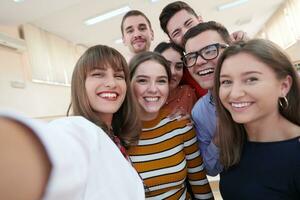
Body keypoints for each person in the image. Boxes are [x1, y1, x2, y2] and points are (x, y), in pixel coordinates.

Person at [0, 45, 145, 200]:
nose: (111, 83)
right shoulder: (77, 129)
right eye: (98, 74)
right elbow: (54, 148)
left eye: (119, 76)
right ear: (80, 85)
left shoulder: (115, 137)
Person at [214, 39, 300, 199]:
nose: (234, 93)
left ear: (284, 86)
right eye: (226, 82)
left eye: (251, 79)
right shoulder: (234, 142)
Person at [127, 51, 213, 199]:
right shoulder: (115, 134)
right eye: (142, 80)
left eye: (161, 81)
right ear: (128, 84)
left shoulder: (181, 124)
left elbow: (199, 183)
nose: (153, 89)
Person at [159, 1, 248, 98]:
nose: (186, 32)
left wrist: (247, 47)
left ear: (200, 20)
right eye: (176, 33)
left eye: (189, 23)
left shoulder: (231, 49)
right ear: (171, 41)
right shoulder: (178, 73)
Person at [181, 21, 232, 176]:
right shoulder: (200, 112)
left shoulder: (264, 90)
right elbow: (211, 169)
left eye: (210, 50)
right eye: (191, 57)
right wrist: (218, 139)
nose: (200, 61)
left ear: (231, 50)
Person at [154, 42, 197, 115]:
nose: (173, 72)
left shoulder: (187, 93)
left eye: (179, 67)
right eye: (166, 65)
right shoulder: (141, 94)